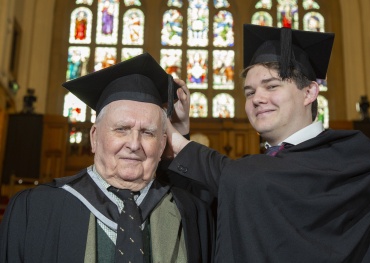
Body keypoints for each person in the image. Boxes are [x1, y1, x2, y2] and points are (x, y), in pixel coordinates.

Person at [166, 25, 370, 262]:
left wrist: (175, 140)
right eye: (249, 92)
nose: (257, 99)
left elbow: (260, 180)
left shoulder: (353, 155)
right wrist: (182, 132)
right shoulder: (252, 171)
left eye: (272, 86)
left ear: (309, 92)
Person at [0, 53, 214, 263]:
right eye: (121, 129)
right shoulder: (36, 210)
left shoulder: (192, 215)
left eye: (148, 132)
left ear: (162, 145)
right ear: (94, 137)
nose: (133, 144)